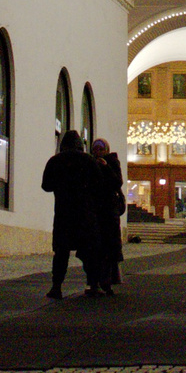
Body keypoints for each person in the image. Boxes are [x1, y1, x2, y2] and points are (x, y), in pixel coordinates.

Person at [42, 129, 98, 300]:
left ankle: (56, 286)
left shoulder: (55, 161)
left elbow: (46, 186)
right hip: (84, 212)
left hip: (63, 212)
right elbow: (99, 184)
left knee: (61, 252)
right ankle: (92, 284)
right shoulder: (88, 160)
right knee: (88, 251)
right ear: (80, 144)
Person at [85, 136, 124, 296]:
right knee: (94, 249)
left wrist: (106, 167)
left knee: (108, 249)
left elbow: (117, 183)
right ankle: (94, 283)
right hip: (94, 211)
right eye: (95, 149)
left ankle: (106, 283)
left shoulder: (112, 162)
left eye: (101, 149)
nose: (98, 152)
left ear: (106, 150)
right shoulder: (89, 163)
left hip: (108, 212)